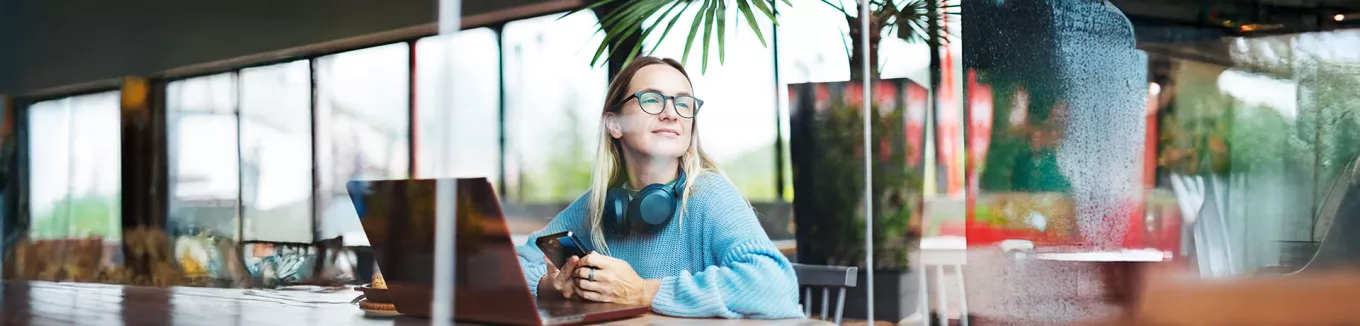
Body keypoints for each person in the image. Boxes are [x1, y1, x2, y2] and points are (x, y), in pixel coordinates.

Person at [514, 56, 802, 319]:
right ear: (614, 124)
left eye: (683, 103)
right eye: (652, 100)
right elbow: (508, 266)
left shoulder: (711, 195)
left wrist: (643, 291)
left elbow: (776, 285)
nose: (671, 114)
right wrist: (549, 286)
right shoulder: (597, 206)